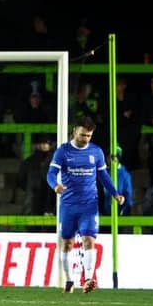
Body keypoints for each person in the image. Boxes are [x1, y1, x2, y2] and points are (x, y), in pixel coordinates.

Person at [46, 116, 125, 294]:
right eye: (82, 135)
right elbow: (50, 174)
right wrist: (55, 186)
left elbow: (103, 176)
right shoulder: (63, 152)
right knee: (67, 244)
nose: (85, 139)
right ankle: (68, 280)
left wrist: (115, 194)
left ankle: (88, 279)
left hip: (89, 206)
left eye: (89, 136)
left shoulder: (96, 152)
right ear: (75, 132)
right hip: (68, 205)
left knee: (89, 240)